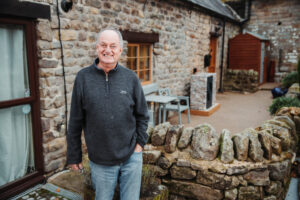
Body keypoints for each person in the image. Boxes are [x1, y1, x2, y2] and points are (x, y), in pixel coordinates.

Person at [66, 28, 149, 200]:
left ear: (120, 50)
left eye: (113, 46)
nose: (108, 50)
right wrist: (74, 156)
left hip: (131, 157)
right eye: (103, 45)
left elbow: (142, 114)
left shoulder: (131, 78)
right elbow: (75, 121)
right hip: (100, 161)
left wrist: (139, 145)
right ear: (97, 47)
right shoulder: (83, 78)